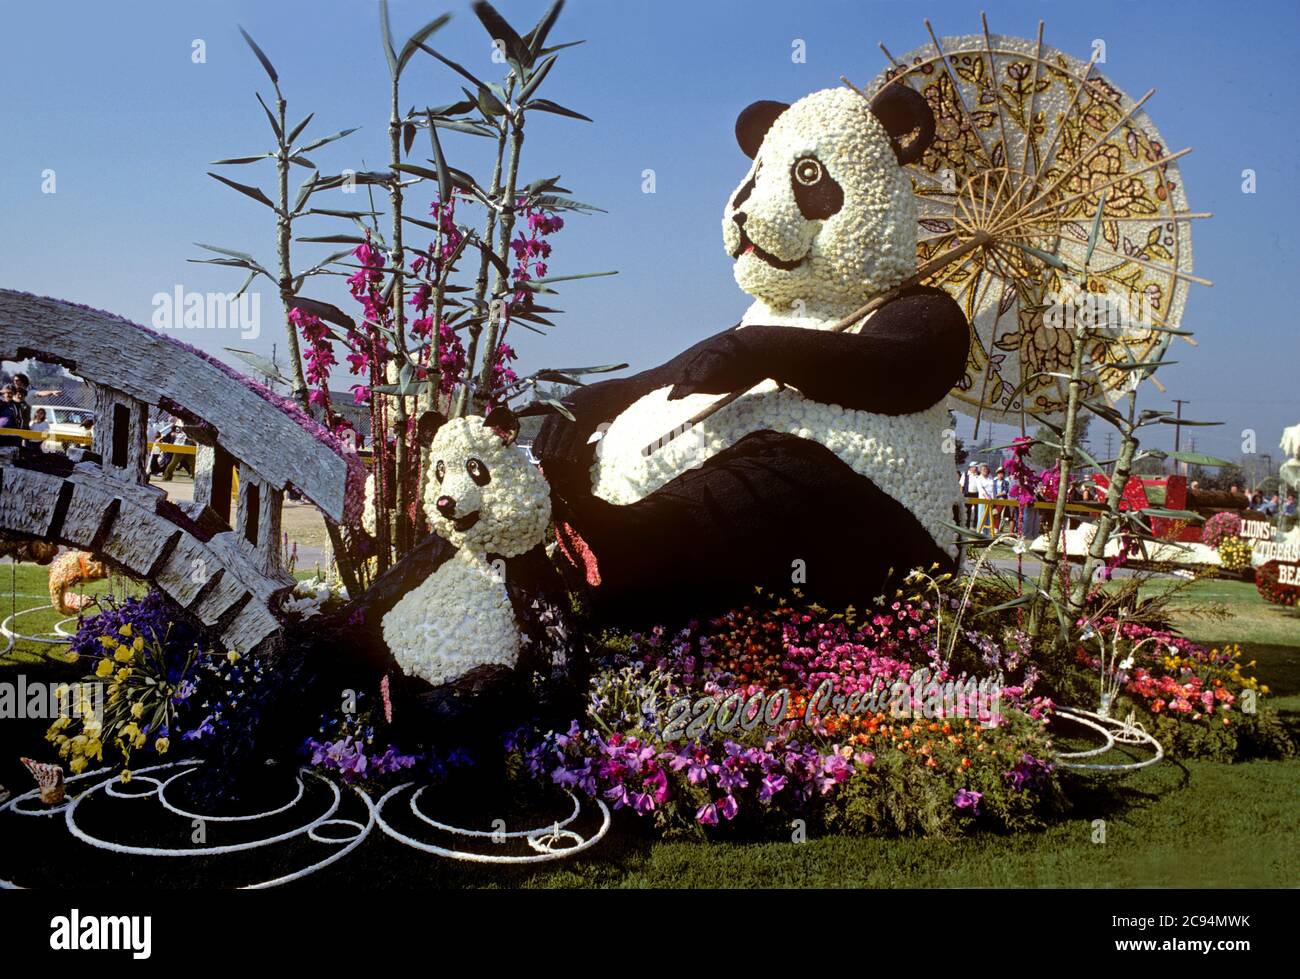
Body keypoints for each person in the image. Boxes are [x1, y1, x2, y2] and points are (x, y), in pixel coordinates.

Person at [959, 462, 979, 527]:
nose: (976, 468)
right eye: (975, 467)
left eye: (976, 467)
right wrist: (961, 495)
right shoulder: (965, 474)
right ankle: (967, 525)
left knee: (977, 510)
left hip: (977, 494)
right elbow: (961, 485)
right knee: (968, 510)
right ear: (971, 467)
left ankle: (975, 526)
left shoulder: (978, 474)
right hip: (968, 494)